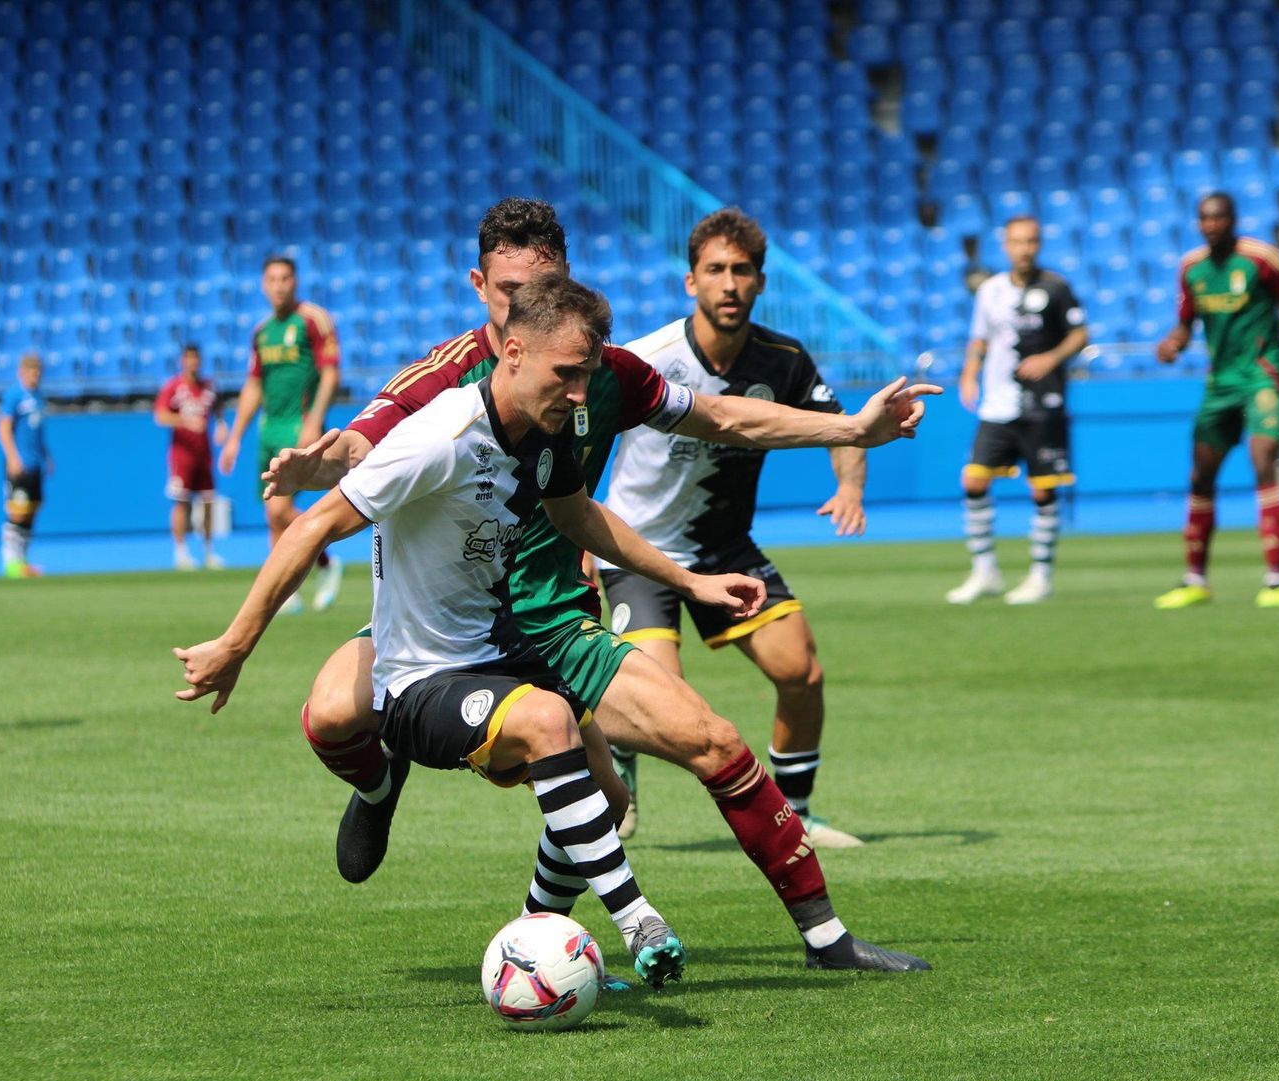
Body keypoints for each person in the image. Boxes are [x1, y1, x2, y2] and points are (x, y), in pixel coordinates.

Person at [267, 198, 937, 972]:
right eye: (512, 292)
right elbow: (364, 444)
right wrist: (325, 463)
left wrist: (852, 429)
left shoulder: (597, 371)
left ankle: (822, 942)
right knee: (327, 716)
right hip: (449, 627)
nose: (531, 306)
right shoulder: (445, 383)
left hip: (554, 619)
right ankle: (382, 787)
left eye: (547, 285)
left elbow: (724, 418)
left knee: (698, 749)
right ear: (481, 287)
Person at [174, 276, 756, 986]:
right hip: (419, 678)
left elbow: (579, 518)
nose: (580, 395)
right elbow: (318, 523)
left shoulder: (544, 429)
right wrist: (235, 645)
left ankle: (533, 940)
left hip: (501, 649)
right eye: (566, 375)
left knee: (609, 797)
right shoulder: (439, 438)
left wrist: (690, 582)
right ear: (513, 353)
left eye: (586, 377)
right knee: (546, 722)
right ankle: (639, 921)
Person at [598, 208, 869, 847]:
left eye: (742, 271)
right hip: (640, 549)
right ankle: (621, 758)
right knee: (662, 698)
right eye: (715, 270)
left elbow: (840, 424)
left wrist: (850, 484)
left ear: (760, 283)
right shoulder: (646, 362)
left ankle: (796, 813)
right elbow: (580, 446)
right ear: (690, 282)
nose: (730, 283)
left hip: (724, 548)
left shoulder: (784, 361)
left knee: (801, 672)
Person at [1154, 192, 1279, 609]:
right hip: (1220, 382)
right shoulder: (1191, 268)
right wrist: (1172, 343)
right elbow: (1185, 325)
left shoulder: (1262, 259)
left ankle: (1275, 580)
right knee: (1200, 476)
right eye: (1204, 219)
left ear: (1233, 219)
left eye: (1219, 218)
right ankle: (1195, 580)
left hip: (1261, 375)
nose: (1211, 226)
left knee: (1262, 460)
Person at [947, 215, 1088, 606]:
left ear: (1038, 245)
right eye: (1017, 242)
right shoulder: (990, 290)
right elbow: (981, 337)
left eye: (1031, 241)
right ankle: (985, 570)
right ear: (1006, 246)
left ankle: (1041, 575)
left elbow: (1080, 333)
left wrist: (1051, 358)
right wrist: (969, 374)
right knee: (974, 480)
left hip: (1043, 403)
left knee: (1042, 490)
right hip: (998, 403)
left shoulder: (1056, 288)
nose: (1024, 249)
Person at [219, 256, 343, 611]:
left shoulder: (313, 320)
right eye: (272, 279)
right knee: (271, 512)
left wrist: (313, 422)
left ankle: (327, 560)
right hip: (268, 428)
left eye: (285, 278)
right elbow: (254, 384)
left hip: (297, 424)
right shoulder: (262, 332)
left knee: (278, 510)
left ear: (295, 281)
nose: (278, 285)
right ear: (263, 284)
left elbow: (331, 374)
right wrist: (234, 437)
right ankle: (285, 593)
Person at [155, 343, 226, 570]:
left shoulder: (209, 387)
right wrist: (185, 421)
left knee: (208, 501)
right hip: (181, 456)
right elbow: (160, 416)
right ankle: (181, 552)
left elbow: (218, 409)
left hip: (204, 455)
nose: (193, 363)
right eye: (189, 358)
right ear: (182, 361)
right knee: (181, 502)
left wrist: (222, 425)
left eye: (196, 358)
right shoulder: (174, 387)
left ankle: (208, 551)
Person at [0, 352, 50, 578]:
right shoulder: (14, 396)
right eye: (30, 370)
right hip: (20, 464)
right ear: (21, 372)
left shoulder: (38, 397)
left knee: (30, 511)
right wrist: (13, 457)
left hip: (35, 463)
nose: (34, 375)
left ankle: (23, 562)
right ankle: (11, 564)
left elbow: (36, 432)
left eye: (37, 371)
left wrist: (46, 456)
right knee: (16, 512)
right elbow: (4, 428)